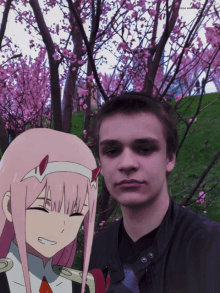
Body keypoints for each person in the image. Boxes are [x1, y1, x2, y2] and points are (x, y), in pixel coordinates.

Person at [88, 92, 220, 293]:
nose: (127, 164)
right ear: (101, 166)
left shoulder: (210, 248)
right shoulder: (97, 249)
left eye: (144, 149)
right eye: (112, 151)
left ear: (169, 158)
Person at [0, 128, 105, 293]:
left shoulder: (83, 286)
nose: (60, 226)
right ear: (9, 206)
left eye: (76, 213)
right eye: (43, 208)